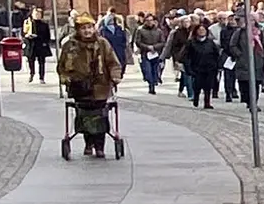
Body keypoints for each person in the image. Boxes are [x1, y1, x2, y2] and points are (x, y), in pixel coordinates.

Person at [58, 15, 121, 158]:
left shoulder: (103, 43)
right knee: (84, 116)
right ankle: (88, 143)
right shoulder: (70, 45)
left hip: (101, 86)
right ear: (78, 30)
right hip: (79, 87)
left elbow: (113, 62)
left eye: (89, 28)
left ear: (94, 28)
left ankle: (100, 147)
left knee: (100, 116)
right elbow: (62, 66)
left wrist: (115, 76)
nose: (87, 31)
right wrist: (66, 79)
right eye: (83, 28)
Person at [183, 22, 222, 109]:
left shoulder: (210, 43)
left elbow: (216, 55)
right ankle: (196, 97)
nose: (201, 32)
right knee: (197, 85)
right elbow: (186, 56)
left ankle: (207, 102)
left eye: (203, 30)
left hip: (209, 68)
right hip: (197, 67)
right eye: (199, 30)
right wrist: (188, 67)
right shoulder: (191, 43)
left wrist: (217, 65)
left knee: (208, 86)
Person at [133, 16, 168, 95]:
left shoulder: (159, 31)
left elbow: (162, 42)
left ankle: (154, 82)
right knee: (148, 70)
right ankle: (151, 86)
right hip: (145, 53)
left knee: (155, 70)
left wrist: (154, 47)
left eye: (151, 20)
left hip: (156, 53)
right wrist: (147, 47)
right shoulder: (140, 30)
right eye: (147, 20)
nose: (149, 22)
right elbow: (138, 42)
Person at [25, 12, 53, 83]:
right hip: (31, 45)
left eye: (38, 14)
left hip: (40, 45)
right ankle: (32, 73)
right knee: (31, 60)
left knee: (41, 62)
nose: (37, 16)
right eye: (35, 14)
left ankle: (41, 77)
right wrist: (27, 37)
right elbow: (24, 33)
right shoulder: (28, 23)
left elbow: (47, 36)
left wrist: (44, 42)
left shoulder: (44, 25)